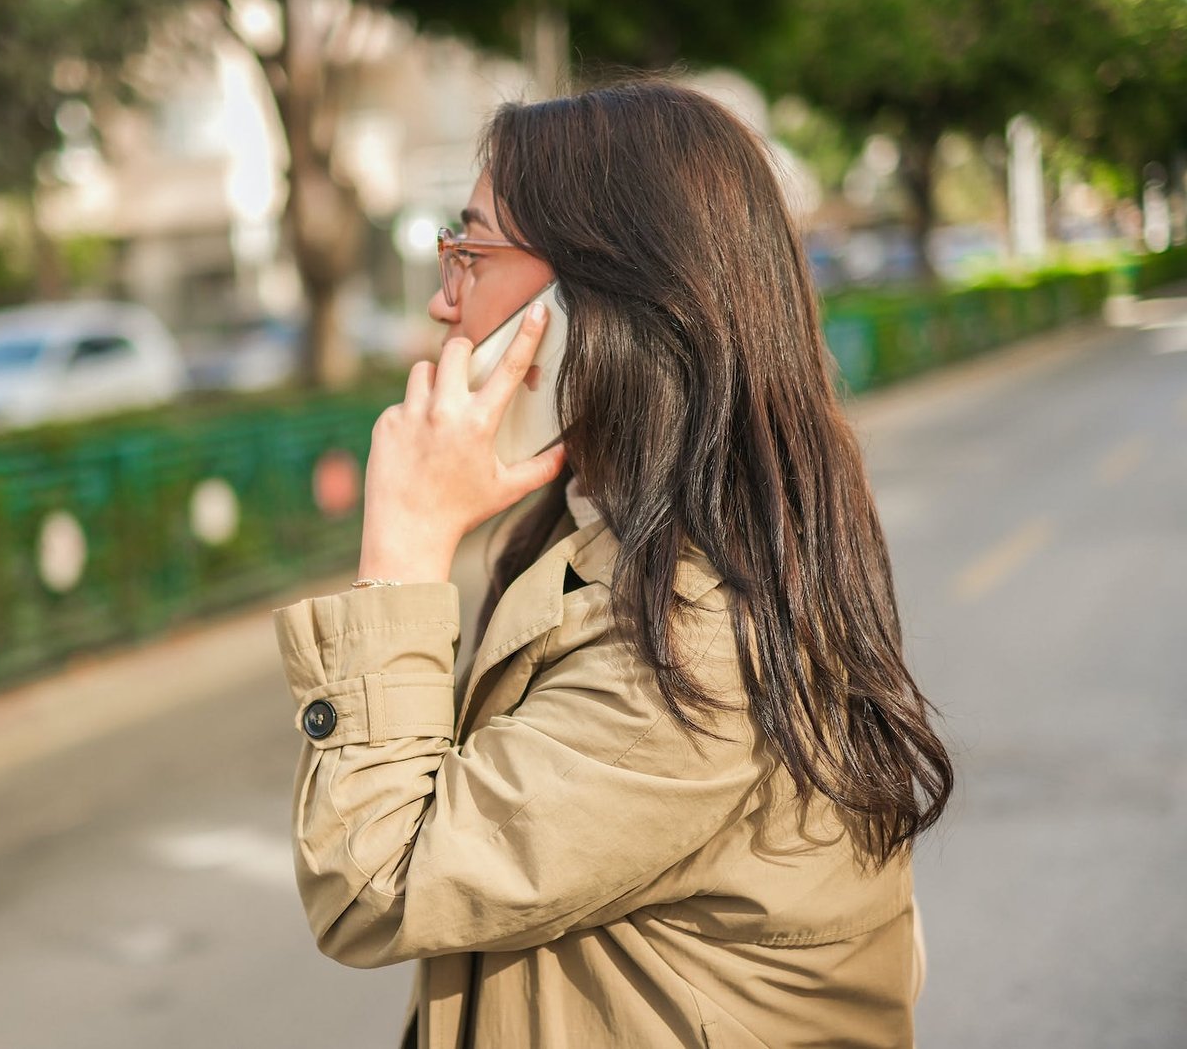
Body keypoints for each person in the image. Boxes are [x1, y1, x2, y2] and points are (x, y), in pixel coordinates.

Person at [272, 77, 952, 1049]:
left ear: (595, 298)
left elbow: (374, 884)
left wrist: (404, 548)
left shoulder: (698, 640)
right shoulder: (608, 534)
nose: (441, 297)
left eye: (471, 251)